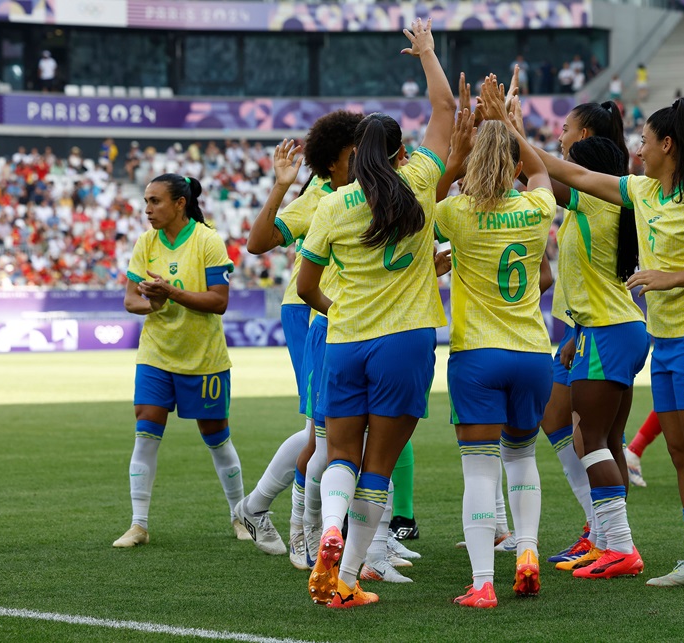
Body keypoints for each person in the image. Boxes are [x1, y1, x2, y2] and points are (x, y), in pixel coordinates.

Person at [537, 97, 684, 592]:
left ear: (667, 145)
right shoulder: (643, 191)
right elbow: (567, 172)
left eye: (645, 139)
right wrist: (506, 127)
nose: (638, 147)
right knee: (679, 450)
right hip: (667, 340)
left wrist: (671, 277)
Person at [297, 17, 455, 609]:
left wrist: (338, 311)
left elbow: (307, 284)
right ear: (398, 152)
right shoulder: (417, 181)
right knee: (379, 466)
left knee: (339, 454)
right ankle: (347, 576)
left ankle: (328, 532)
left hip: (346, 340)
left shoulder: (333, 206)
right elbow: (444, 109)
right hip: (406, 341)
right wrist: (426, 53)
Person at [435, 86, 554, 607]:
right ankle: (527, 551)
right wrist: (508, 123)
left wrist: (459, 148)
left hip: (477, 356)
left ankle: (483, 582)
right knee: (523, 459)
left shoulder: (457, 213)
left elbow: (426, 192)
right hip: (532, 352)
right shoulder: (534, 208)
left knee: (479, 469)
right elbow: (543, 172)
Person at [236, 110, 363, 568]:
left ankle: (258, 509)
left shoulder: (366, 189)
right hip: (310, 309)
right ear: (333, 162)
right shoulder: (324, 196)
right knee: (322, 426)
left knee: (332, 427)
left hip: (344, 315)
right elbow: (259, 241)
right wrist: (281, 185)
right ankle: (298, 530)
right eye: (357, 152)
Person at [113, 173, 248, 548]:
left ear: (179, 203)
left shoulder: (207, 240)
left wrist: (170, 292)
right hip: (156, 352)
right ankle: (138, 524)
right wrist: (153, 303)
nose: (147, 209)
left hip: (203, 357)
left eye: (155, 201)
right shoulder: (146, 243)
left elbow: (219, 302)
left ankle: (241, 515)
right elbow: (130, 301)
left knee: (216, 436)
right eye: (146, 201)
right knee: (146, 425)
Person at [533, 100, 636, 570]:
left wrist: (506, 128)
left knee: (591, 438)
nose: (561, 138)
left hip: (608, 328)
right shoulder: (601, 199)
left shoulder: (596, 196)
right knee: (575, 427)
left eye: (568, 130)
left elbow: (536, 174)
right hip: (595, 326)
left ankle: (617, 545)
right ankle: (601, 533)